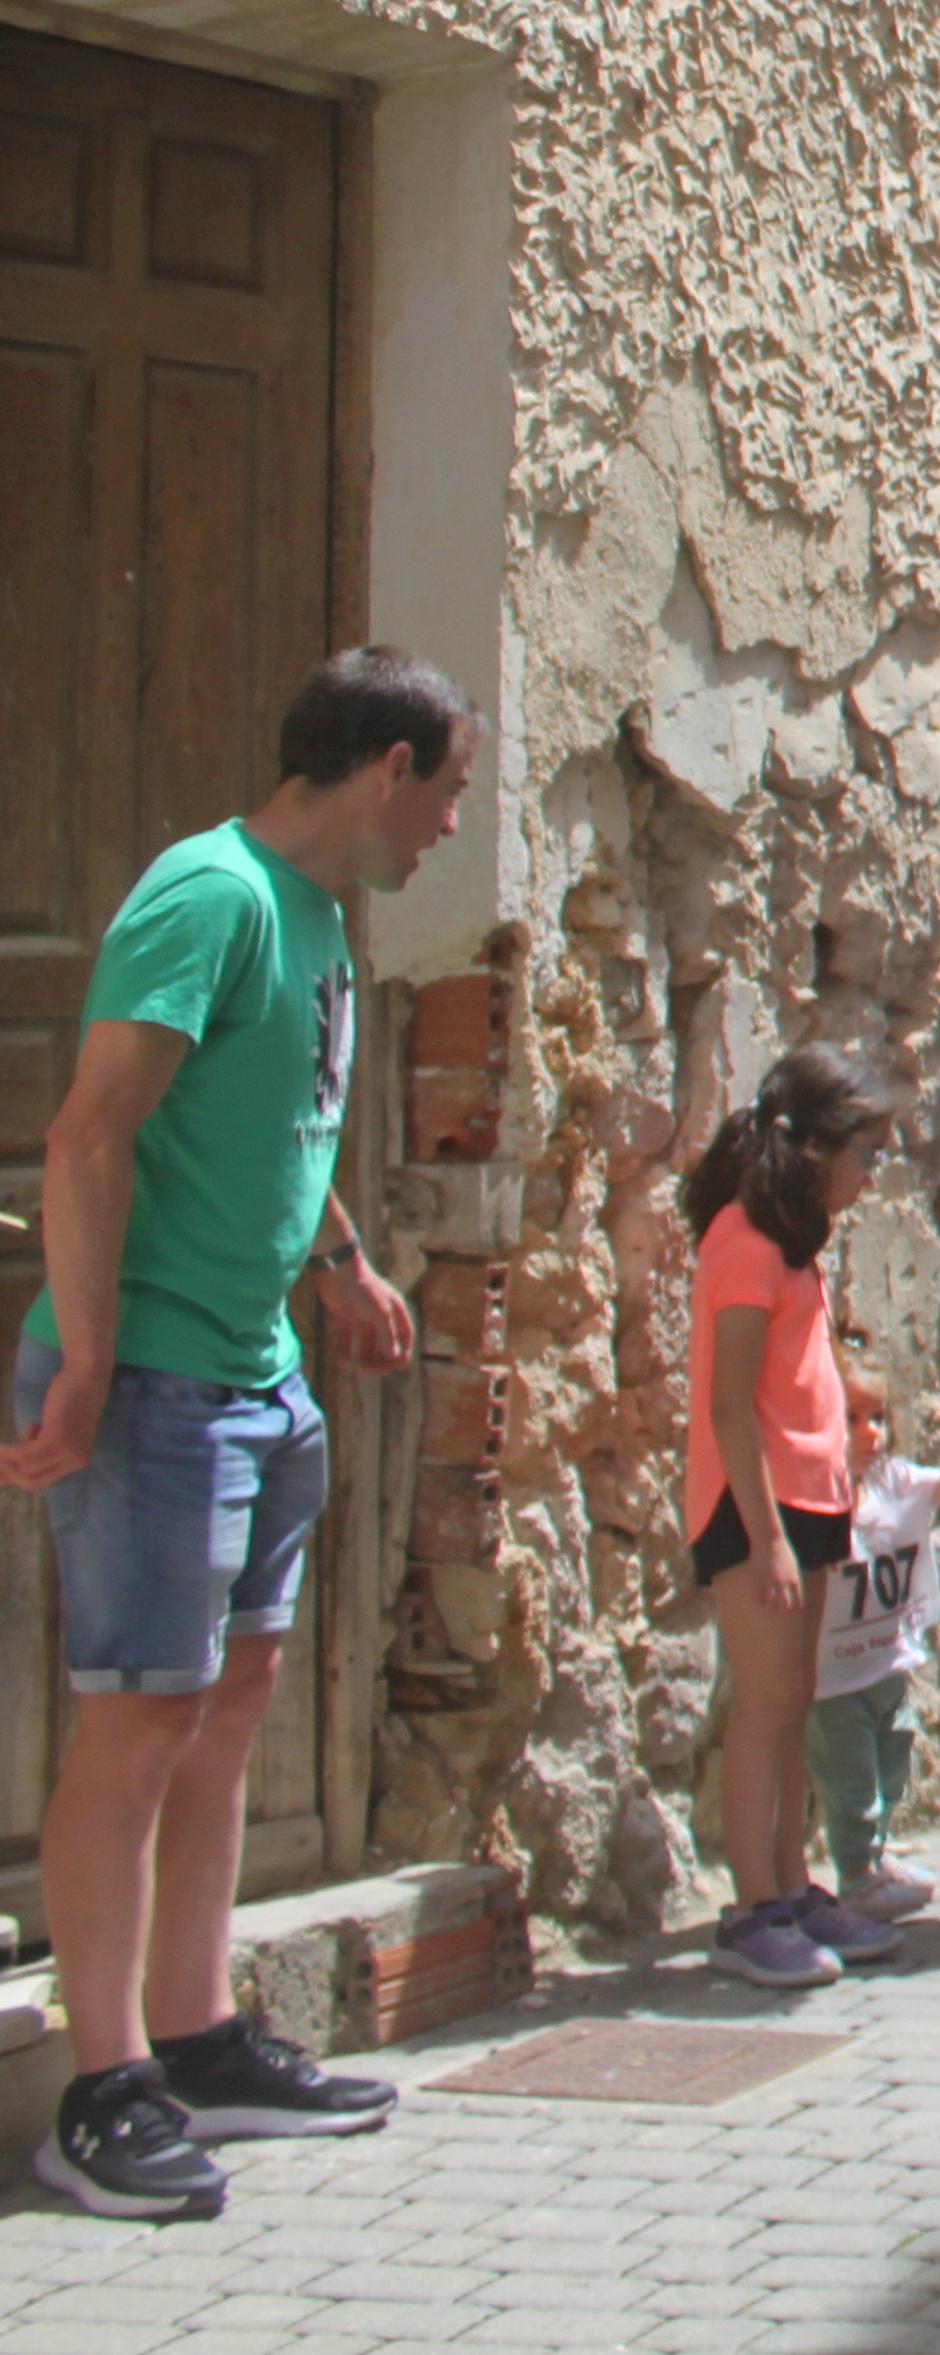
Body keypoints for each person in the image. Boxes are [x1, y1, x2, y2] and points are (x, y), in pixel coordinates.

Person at [4, 648, 469, 2219]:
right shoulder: (206, 895)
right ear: (388, 766)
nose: (448, 828)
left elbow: (275, 1118)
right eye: (451, 790)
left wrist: (335, 1263)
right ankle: (101, 2083)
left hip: (258, 1374)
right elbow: (88, 1129)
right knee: (133, 1722)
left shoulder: (324, 920)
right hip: (145, 1384)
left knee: (226, 1701)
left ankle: (198, 2034)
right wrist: (79, 1358)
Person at [679, 1048, 910, 1987]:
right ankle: (750, 1911)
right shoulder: (741, 1239)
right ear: (815, 1147)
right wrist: (767, 1532)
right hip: (753, 1510)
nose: (871, 1173)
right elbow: (730, 1405)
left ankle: (793, 1882)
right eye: (865, 1152)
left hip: (808, 1503)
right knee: (764, 1709)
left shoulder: (794, 1242)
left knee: (792, 1706)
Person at [809, 1356, 940, 1925]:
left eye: (877, 1416)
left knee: (891, 1769)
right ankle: (855, 1874)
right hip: (833, 1678)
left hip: (888, 1665)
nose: (869, 1432)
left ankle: (876, 1859)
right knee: (852, 1784)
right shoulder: (814, 1491)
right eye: (851, 1417)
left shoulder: (897, 1480)